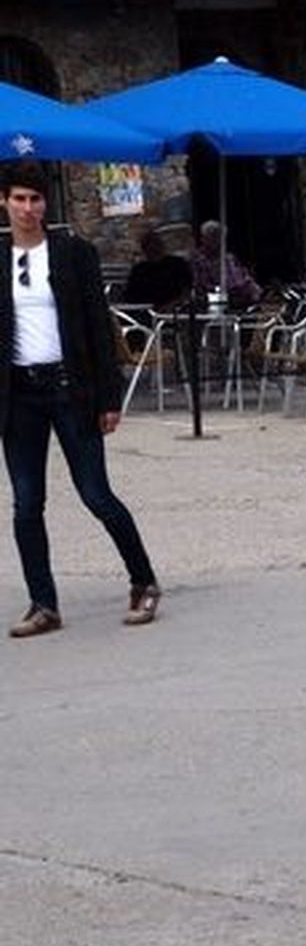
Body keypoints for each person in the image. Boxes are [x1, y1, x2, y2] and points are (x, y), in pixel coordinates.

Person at [1, 160, 161, 638]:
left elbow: (97, 326)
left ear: (45, 203)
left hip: (70, 388)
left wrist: (109, 397)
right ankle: (43, 603)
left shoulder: (74, 253)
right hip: (19, 393)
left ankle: (143, 580)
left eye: (35, 199)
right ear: (4, 202)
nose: (28, 208)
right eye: (19, 199)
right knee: (26, 502)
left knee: (95, 493)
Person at [189, 219, 262, 308]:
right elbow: (205, 286)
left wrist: (253, 289)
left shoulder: (229, 257)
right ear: (203, 239)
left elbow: (245, 278)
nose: (219, 241)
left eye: (220, 237)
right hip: (220, 302)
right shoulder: (199, 260)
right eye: (214, 237)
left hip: (243, 298)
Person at [123, 226, 192, 310]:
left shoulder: (178, 265)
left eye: (155, 244)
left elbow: (186, 291)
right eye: (149, 245)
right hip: (144, 311)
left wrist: (170, 307)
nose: (153, 248)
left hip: (174, 311)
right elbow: (131, 297)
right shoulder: (139, 271)